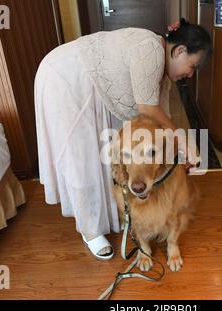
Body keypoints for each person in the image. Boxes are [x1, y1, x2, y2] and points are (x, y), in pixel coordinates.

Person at [34, 18, 212, 260]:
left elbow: (159, 123)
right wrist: (185, 141)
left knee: (109, 153)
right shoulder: (150, 48)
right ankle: (90, 230)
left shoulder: (162, 76)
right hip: (67, 78)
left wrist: (179, 153)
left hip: (90, 86)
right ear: (179, 50)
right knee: (83, 158)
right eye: (192, 66)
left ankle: (108, 215)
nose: (188, 75)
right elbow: (148, 109)